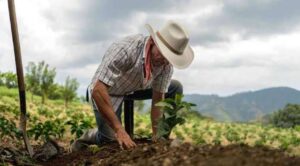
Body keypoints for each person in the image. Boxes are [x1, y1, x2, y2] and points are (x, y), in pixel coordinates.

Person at [71, 20, 194, 152]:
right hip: (108, 91)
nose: (164, 61)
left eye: (169, 58)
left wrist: (157, 136)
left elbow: (158, 99)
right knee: (110, 141)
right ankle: (89, 136)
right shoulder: (126, 49)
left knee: (175, 87)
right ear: (153, 41)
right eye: (163, 54)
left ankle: (161, 139)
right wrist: (119, 130)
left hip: (135, 88)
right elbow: (98, 89)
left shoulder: (166, 65)